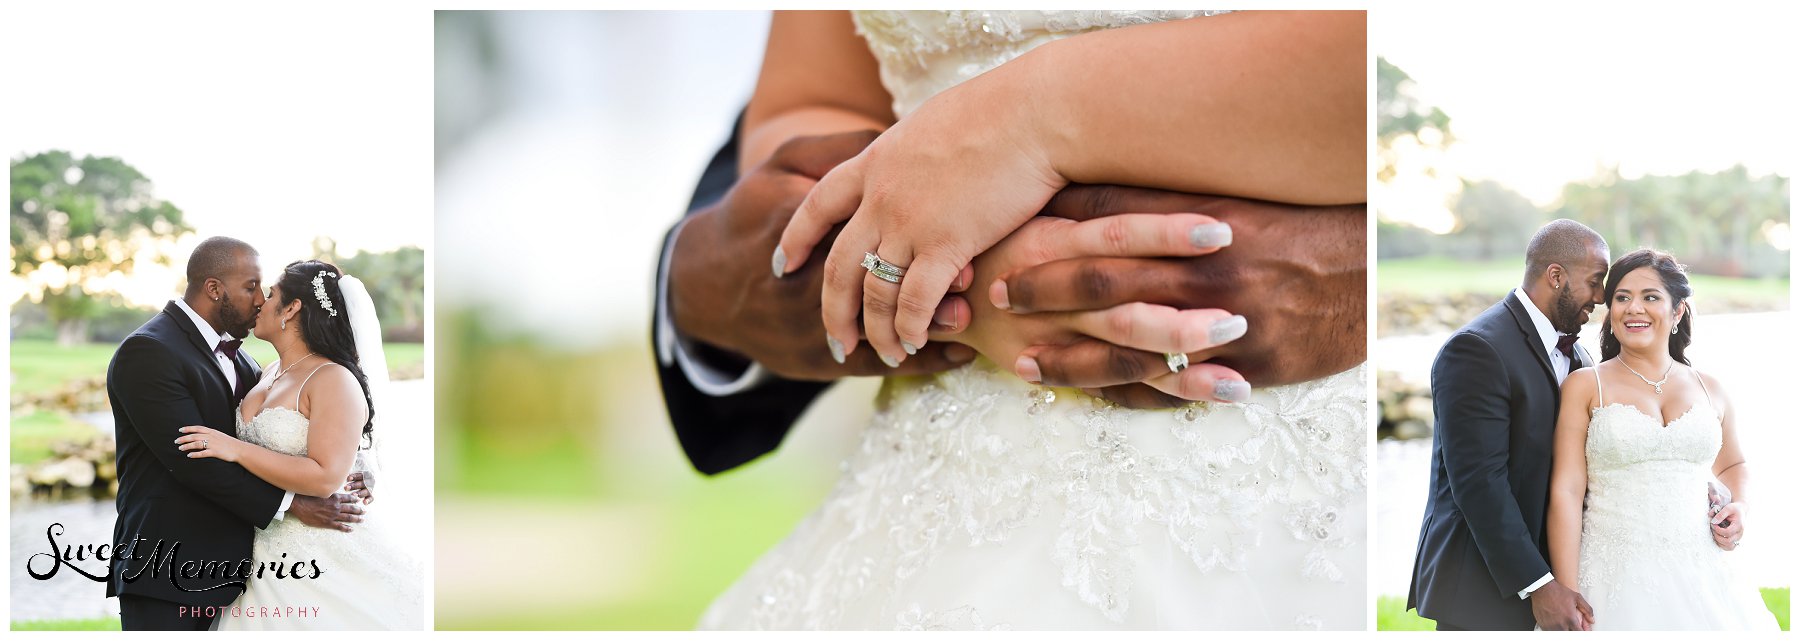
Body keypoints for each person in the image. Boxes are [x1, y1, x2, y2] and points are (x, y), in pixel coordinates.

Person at [683, 11, 1367, 629]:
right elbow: (809, 104)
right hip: (940, 498)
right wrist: (962, 273)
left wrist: (1033, 118)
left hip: (1283, 493)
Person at [106, 238, 370, 631]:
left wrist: (358, 469)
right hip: (167, 565)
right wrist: (293, 504)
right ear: (214, 289)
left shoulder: (250, 363)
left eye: (266, 289)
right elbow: (193, 461)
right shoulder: (149, 351)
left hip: (243, 570)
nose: (260, 299)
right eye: (251, 287)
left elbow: (321, 432)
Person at [173, 260, 422, 630]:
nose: (260, 301)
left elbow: (325, 477)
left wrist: (235, 448)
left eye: (270, 294)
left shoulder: (333, 379)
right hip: (258, 549)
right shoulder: (267, 372)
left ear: (291, 308)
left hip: (319, 551)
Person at [1544, 249, 1778, 630]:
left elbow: (1735, 465)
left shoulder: (1710, 388)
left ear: (1678, 311)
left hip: (1707, 574)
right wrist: (1568, 589)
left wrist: (1742, 509)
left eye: (1650, 297)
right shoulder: (1587, 385)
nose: (1633, 308)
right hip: (1611, 577)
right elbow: (1567, 491)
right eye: (1622, 298)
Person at [1407, 219, 1608, 630]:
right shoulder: (1477, 349)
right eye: (1595, 280)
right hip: (1483, 589)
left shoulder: (1580, 357)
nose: (1601, 297)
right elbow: (1479, 484)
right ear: (1556, 276)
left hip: (1562, 576)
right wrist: (1538, 585)